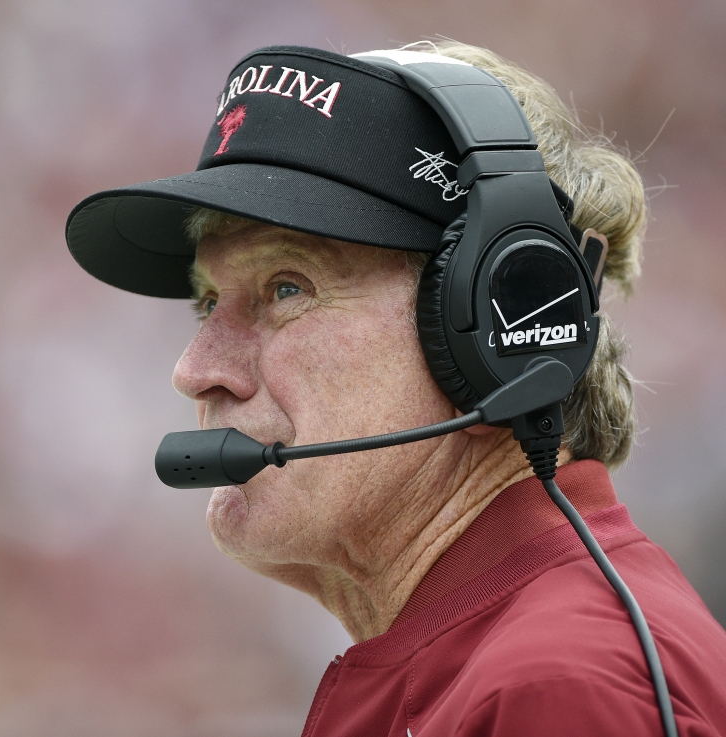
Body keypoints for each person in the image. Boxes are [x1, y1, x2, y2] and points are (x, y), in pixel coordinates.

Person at [65, 42, 726, 735]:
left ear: (491, 335)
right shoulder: (477, 663)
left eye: (286, 287)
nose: (196, 369)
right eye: (207, 304)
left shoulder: (558, 686)